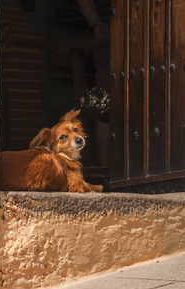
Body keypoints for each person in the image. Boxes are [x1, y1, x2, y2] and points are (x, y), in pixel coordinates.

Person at [76, 0, 111, 168]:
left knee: (105, 112)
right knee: (104, 111)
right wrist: (97, 23)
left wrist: (97, 23)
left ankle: (108, 177)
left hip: (106, 34)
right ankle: (107, 175)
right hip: (108, 36)